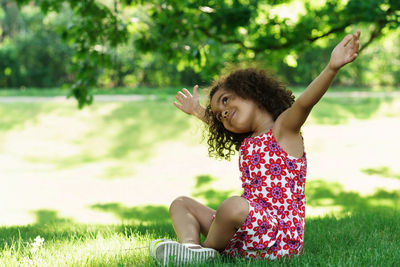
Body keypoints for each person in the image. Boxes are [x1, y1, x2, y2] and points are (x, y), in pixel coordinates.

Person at [149, 30, 361, 265]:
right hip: (247, 229)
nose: (223, 113)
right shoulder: (250, 140)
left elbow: (304, 103)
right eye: (219, 116)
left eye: (226, 100)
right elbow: (217, 124)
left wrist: (332, 68)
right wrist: (197, 111)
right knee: (181, 204)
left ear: (250, 92)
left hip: (278, 238)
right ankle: (189, 247)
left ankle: (205, 254)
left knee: (233, 205)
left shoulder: (284, 129)